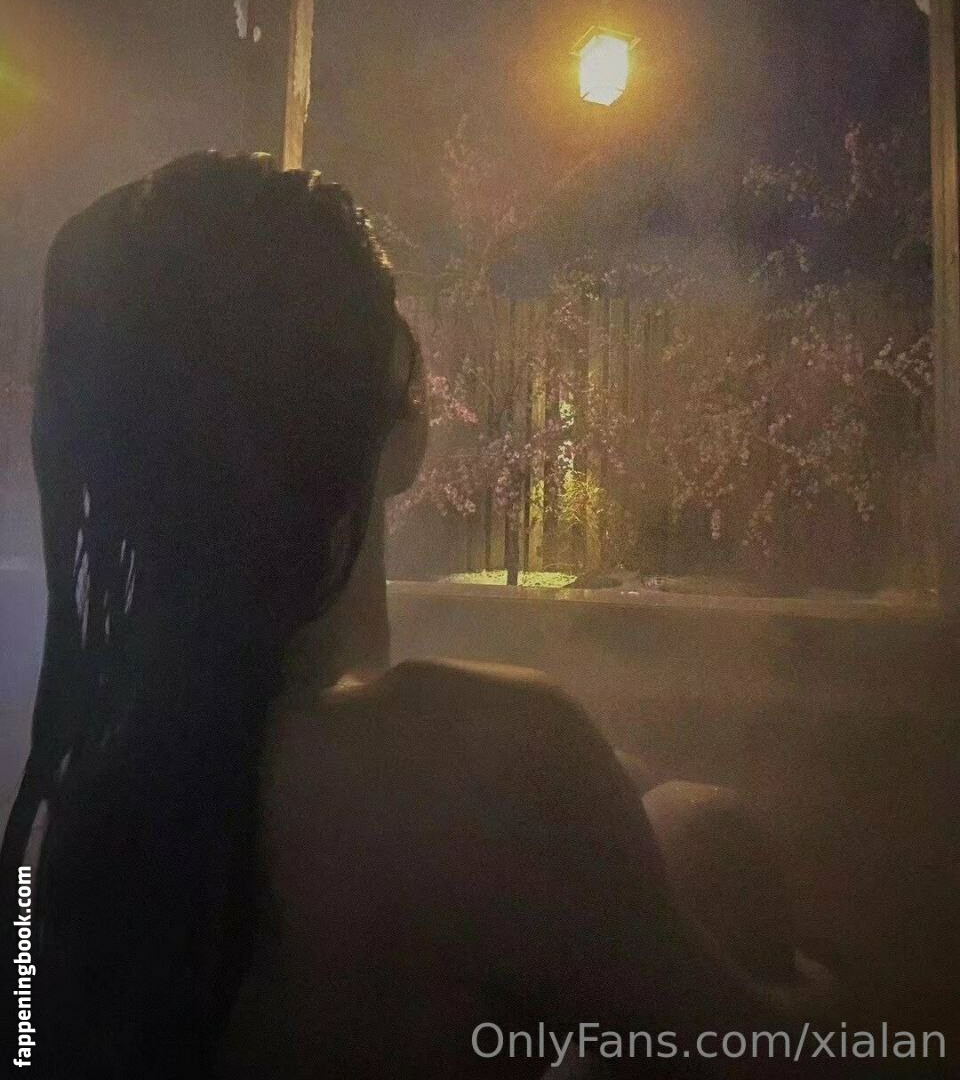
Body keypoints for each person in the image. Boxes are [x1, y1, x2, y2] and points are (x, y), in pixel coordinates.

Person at [1, 153, 830, 1079]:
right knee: (709, 835)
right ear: (403, 425)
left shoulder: (77, 803)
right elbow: (779, 1057)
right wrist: (830, 992)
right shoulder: (487, 762)